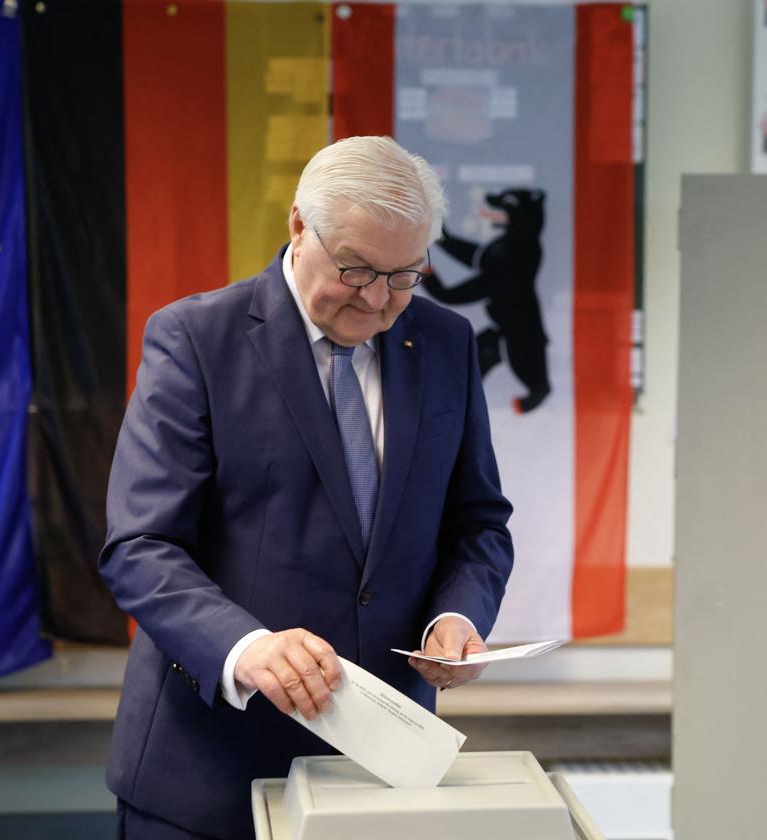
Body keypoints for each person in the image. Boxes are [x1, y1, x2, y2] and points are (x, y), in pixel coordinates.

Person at [99, 136, 514, 839]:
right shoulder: (198, 339)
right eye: (356, 270)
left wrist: (459, 617)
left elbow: (477, 522)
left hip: (386, 769)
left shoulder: (444, 341)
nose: (379, 300)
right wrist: (244, 647)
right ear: (299, 226)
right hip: (208, 768)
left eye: (405, 275)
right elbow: (140, 544)